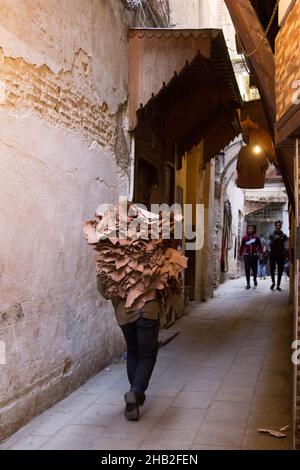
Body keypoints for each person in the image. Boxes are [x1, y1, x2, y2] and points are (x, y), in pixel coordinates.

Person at [97, 278, 161, 421]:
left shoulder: (110, 256)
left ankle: (135, 396)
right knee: (147, 354)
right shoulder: (154, 255)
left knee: (133, 352)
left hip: (124, 313)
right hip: (148, 310)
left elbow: (103, 291)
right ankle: (136, 392)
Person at [239, 224, 263, 289]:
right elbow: (242, 246)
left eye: (251, 228)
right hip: (246, 256)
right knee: (247, 269)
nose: (250, 230)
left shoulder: (256, 237)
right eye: (249, 228)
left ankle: (255, 279)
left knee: (254, 269)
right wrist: (240, 254)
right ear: (247, 229)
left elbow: (260, 246)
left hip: (254, 256)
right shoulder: (244, 238)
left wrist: (261, 253)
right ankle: (248, 283)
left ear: (253, 229)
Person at [269, 221, 288, 291]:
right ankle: (273, 283)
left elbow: (286, 246)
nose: (278, 226)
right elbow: (270, 245)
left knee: (280, 270)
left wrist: (286, 255)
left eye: (279, 225)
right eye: (277, 225)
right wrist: (274, 239)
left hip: (281, 255)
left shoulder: (284, 236)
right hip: (273, 254)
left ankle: (278, 285)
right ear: (275, 226)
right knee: (272, 269)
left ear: (281, 226)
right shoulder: (271, 235)